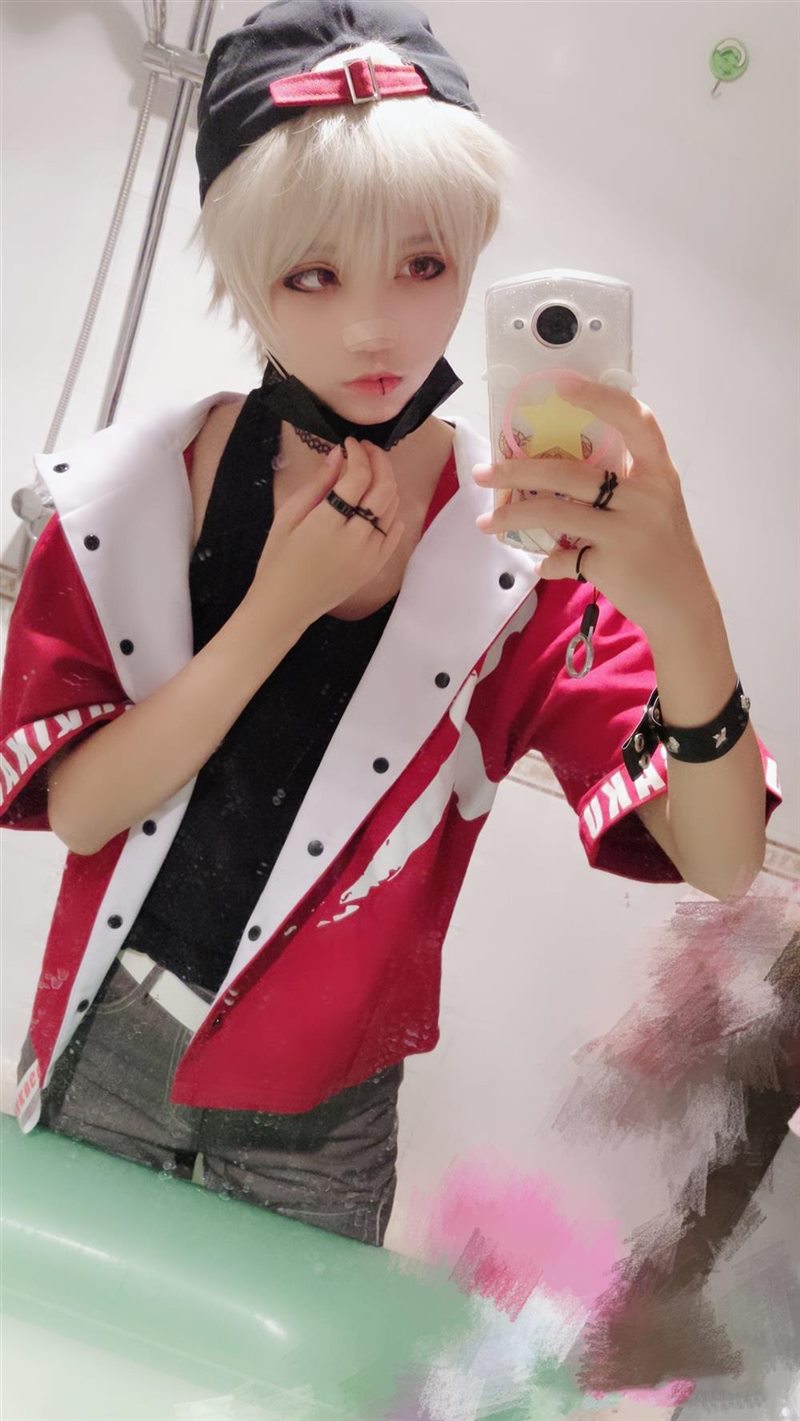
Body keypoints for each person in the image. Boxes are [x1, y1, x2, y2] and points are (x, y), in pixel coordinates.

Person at [0, 0, 783, 1250]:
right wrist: (277, 609)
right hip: (106, 1042)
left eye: (421, 265)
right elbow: (84, 812)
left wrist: (682, 599)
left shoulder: (518, 551)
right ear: (244, 272)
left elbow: (723, 859)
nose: (372, 327)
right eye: (312, 275)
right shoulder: (121, 497)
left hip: (321, 1124)